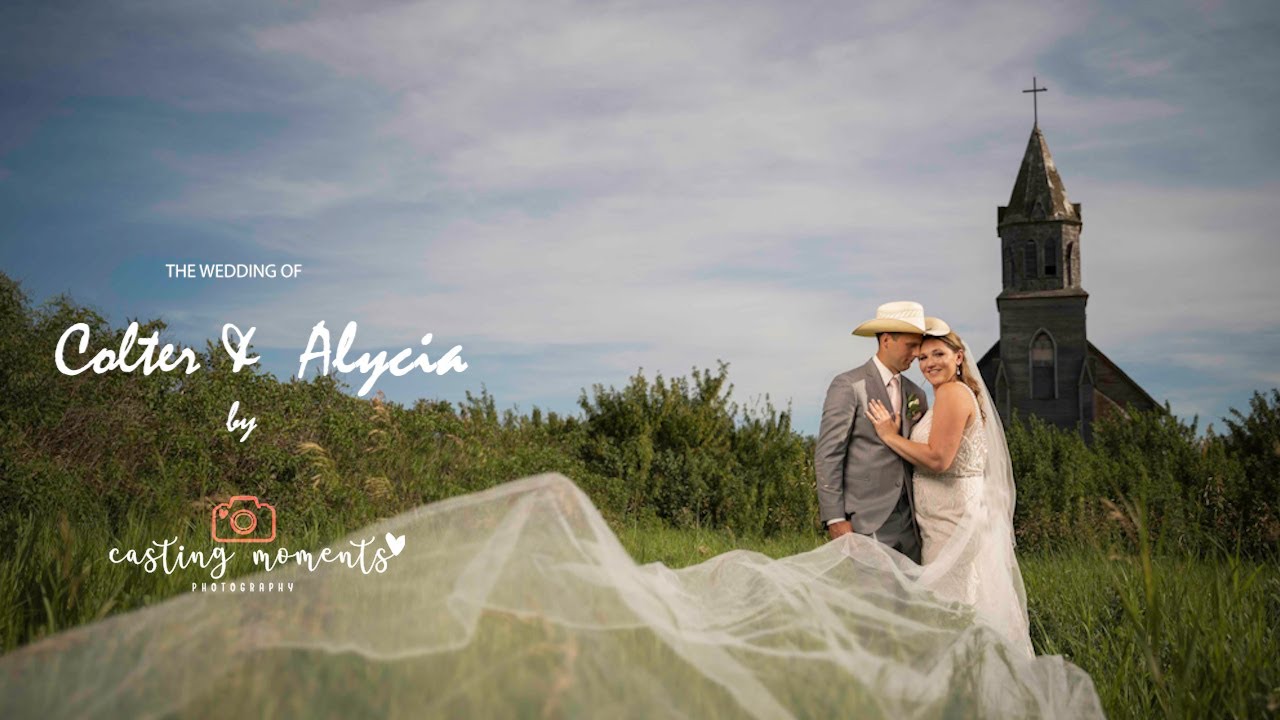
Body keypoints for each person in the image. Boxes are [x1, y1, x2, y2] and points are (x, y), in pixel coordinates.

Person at [866, 329, 1035, 657]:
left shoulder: (953, 393)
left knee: (952, 608)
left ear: (958, 357)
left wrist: (889, 435)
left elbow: (939, 459)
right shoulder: (947, 395)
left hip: (954, 521)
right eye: (923, 357)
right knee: (956, 606)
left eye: (938, 354)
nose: (929, 363)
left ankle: (964, 676)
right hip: (943, 519)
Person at [814, 300, 948, 563]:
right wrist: (835, 518)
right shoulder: (849, 385)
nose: (917, 353)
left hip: (913, 522)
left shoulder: (917, 394)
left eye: (918, 346)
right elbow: (828, 454)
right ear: (886, 340)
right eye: (910, 345)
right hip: (865, 520)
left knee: (910, 588)